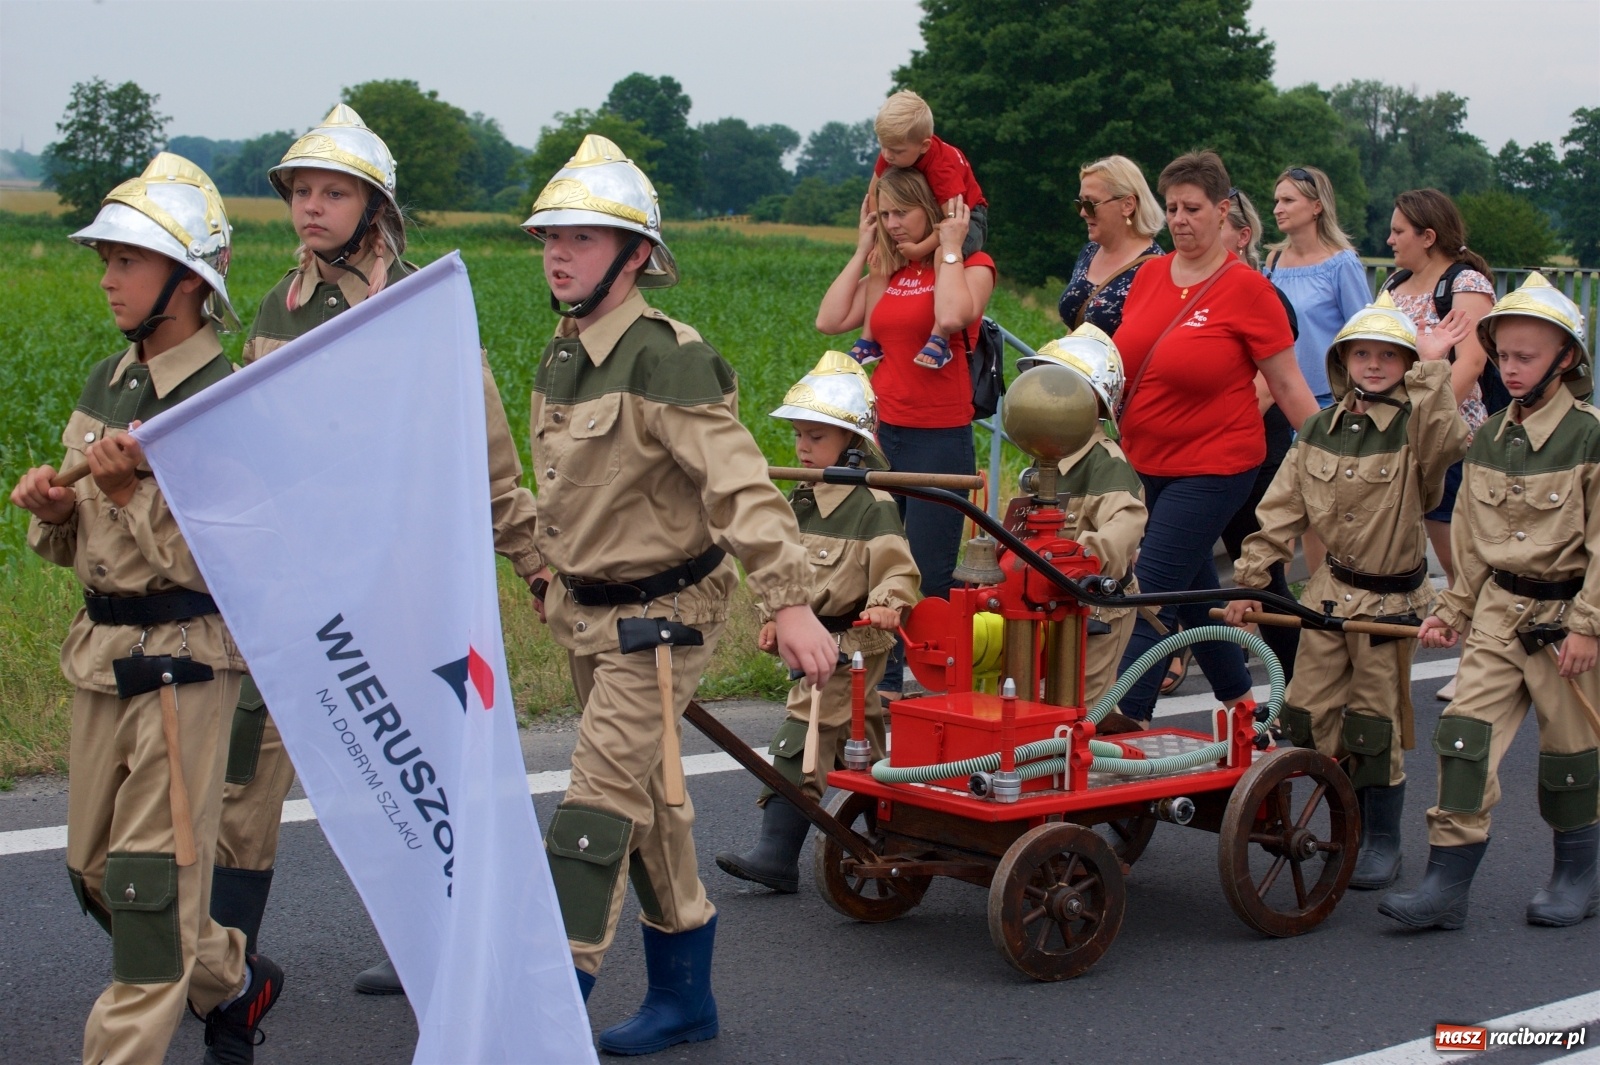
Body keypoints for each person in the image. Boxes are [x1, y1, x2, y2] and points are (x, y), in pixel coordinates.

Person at [212, 105, 544, 998]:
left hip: (399, 582)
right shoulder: (278, 306)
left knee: (417, 766)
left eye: (333, 192)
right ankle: (226, 978)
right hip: (299, 582)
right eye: (301, 193)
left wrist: (532, 557)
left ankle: (442, 948)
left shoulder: (418, 305)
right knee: (251, 767)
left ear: (374, 207)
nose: (311, 209)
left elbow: (484, 446)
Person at [521, 134, 839, 1055]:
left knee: (592, 808)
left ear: (634, 257)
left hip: (663, 620)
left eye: (582, 237)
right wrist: (539, 560)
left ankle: (534, 1020)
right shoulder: (566, 352)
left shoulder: (670, 358)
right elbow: (566, 483)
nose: (558, 252)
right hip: (587, 610)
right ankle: (685, 1002)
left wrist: (787, 601)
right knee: (653, 805)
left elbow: (739, 487)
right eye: (551, 236)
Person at [9, 153, 282, 1064]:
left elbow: (229, 560)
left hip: (184, 662)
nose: (108, 277)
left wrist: (130, 499)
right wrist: (58, 514)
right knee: (94, 869)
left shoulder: (223, 400)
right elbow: (84, 543)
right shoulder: (111, 380)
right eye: (107, 259)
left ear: (185, 279)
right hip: (100, 654)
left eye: (127, 259)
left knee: (146, 888)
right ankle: (235, 978)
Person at [1224, 294, 1469, 890]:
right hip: (1328, 599)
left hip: (1388, 607)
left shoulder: (1417, 429)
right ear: (1343, 361)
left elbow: (1449, 446)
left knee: (1373, 724)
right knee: (1305, 716)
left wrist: (1434, 367)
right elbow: (1280, 507)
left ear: (1406, 363)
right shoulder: (1316, 430)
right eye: (1363, 354)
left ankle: (1381, 839)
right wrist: (1254, 579)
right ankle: (1342, 815)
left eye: (1390, 356)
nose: (1375, 365)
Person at [1380, 274, 1599, 931]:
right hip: (1503, 614)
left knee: (1570, 756)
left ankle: (1576, 876)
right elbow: (1474, 540)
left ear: (1565, 359)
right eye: (1502, 355)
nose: (1509, 368)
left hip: (1568, 622)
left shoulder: (1589, 436)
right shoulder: (1494, 435)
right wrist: (1453, 611)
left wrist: (1589, 626)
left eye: (1525, 356)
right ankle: (1445, 886)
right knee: (1463, 737)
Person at [1108, 150, 1320, 726]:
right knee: (1198, 594)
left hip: (1215, 466)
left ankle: (1122, 718)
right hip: (1145, 459)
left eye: (1193, 208)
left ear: (1222, 209)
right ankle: (1246, 709)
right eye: (1172, 207)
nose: (1179, 219)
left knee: (1149, 593)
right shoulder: (1148, 275)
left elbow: (1287, 384)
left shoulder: (1249, 290)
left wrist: (1335, 450)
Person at [715, 353, 920, 894]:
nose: (803, 448)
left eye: (816, 438)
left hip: (855, 640)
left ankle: (776, 855)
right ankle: (896, 824)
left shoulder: (873, 504)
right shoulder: (799, 500)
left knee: (806, 731)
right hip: (809, 636)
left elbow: (898, 570)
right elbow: (780, 568)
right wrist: (771, 618)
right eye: (800, 436)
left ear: (852, 445)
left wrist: (887, 603)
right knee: (859, 736)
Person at [817, 166, 995, 699]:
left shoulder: (974, 265)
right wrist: (862, 248)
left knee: (928, 573)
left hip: (940, 438)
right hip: (883, 434)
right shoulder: (886, 269)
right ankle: (886, 686)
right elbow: (830, 320)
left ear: (929, 210)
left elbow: (952, 313)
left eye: (902, 213)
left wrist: (949, 246)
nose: (893, 224)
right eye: (885, 213)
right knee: (877, 564)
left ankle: (941, 685)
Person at [1383, 188, 1497, 702]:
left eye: (1399, 231)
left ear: (1428, 237)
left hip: (1453, 439)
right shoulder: (1395, 283)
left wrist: (1422, 422)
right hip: (1402, 434)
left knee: (1459, 557)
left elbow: (1470, 365)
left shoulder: (1465, 283)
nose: (1389, 240)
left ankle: (1478, 666)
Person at [1014, 324, 1148, 705]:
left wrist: (1073, 557)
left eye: (1062, 388)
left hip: (1094, 610)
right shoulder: (1045, 456)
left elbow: (1125, 526)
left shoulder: (1105, 464)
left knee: (1078, 706)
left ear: (1094, 401)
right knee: (1028, 701)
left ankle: (1087, 756)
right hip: (1042, 602)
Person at [1217, 187, 1301, 682]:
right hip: (1207, 455)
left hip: (1253, 455)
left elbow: (1270, 385)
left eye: (1214, 222)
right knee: (1190, 572)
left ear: (1242, 237)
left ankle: (1298, 685)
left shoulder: (1266, 297)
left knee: (1264, 580)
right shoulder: (1198, 293)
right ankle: (1227, 679)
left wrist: (1208, 435)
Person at [850, 90, 989, 369]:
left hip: (966, 215)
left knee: (943, 254)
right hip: (933, 213)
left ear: (923, 146)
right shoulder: (891, 152)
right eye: (883, 148)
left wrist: (919, 249)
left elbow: (952, 224)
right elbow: (875, 190)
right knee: (880, 260)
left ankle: (939, 338)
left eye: (897, 151)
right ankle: (869, 339)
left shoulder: (942, 167)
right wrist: (878, 239)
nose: (888, 156)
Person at [1263, 165, 1373, 408]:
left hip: (1327, 399)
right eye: (1277, 201)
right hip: (1277, 396)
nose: (1277, 209)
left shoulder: (1341, 264)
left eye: (1288, 200)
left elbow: (1364, 334)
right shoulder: (1274, 261)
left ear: (1317, 206)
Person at [1056, 155, 1165, 335]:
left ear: (1127, 205)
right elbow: (1076, 323)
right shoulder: (1090, 252)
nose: (1083, 212)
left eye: (1091, 203)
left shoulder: (1155, 269)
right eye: (1080, 203)